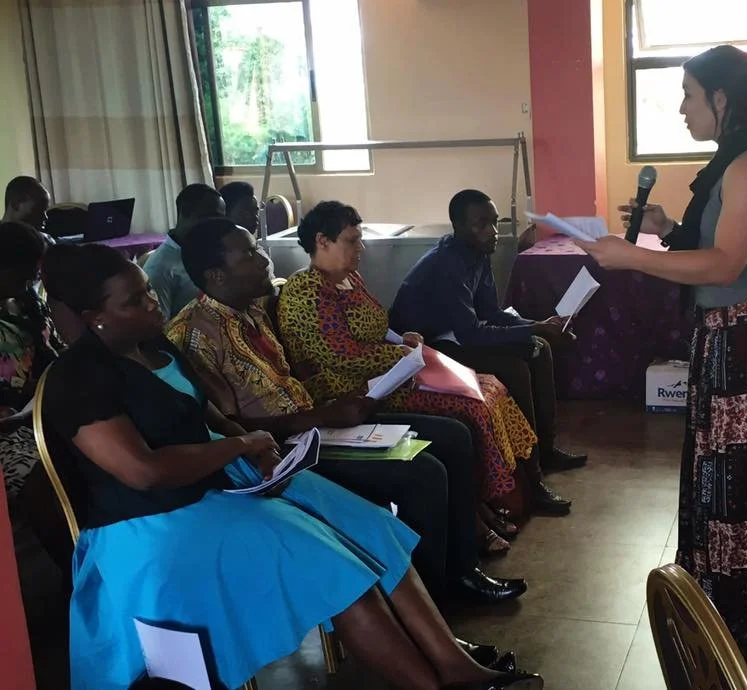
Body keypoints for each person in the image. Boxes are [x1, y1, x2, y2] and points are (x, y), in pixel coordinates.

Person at [40, 242, 542, 690]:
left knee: (374, 527)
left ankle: (450, 663)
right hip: (156, 521)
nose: (152, 303)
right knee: (335, 570)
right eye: (134, 301)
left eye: (148, 291)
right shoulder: (78, 379)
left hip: (219, 484)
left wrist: (255, 448)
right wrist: (240, 447)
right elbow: (142, 472)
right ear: (94, 316)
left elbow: (210, 416)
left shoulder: (155, 346)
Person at [576, 45, 747, 667]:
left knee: (744, 496)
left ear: (721, 98)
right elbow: (708, 246)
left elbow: (725, 264)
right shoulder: (730, 162)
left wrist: (631, 255)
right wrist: (661, 224)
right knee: (721, 491)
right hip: (725, 340)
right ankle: (727, 627)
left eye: (689, 95)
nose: (681, 108)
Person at [167, 217, 528, 605]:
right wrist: (322, 416)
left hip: (321, 421)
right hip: (286, 453)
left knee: (453, 435)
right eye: (249, 254)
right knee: (422, 472)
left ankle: (462, 568)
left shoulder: (250, 310)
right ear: (216, 275)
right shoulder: (193, 336)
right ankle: (437, 600)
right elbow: (230, 428)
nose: (263, 260)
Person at [276, 202, 571, 518]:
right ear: (322, 242)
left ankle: (514, 489)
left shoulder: (349, 278)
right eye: (351, 240)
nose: (360, 247)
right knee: (471, 405)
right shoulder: (306, 291)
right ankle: (490, 503)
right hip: (356, 392)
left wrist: (401, 338)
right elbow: (342, 354)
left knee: (488, 387)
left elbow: (376, 325)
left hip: (392, 375)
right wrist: (401, 355)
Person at [389, 189, 588, 477]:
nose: (492, 231)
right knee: (515, 367)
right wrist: (535, 328)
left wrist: (543, 325)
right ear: (458, 227)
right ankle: (529, 471)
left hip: (455, 334)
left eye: (494, 222)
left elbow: (492, 314)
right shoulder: (447, 264)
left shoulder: (478, 253)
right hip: (422, 347)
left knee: (540, 347)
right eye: (481, 224)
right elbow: (471, 334)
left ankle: (546, 449)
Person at [0, 222, 72, 571]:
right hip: (9, 427)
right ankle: (71, 569)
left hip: (44, 406)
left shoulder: (26, 300)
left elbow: (52, 349)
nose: (29, 284)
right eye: (21, 276)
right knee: (40, 477)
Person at [143, 183, 225, 319]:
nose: (216, 225)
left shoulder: (209, 252)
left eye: (221, 219)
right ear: (185, 212)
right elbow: (159, 327)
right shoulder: (160, 268)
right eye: (211, 217)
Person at [218, 180, 277, 282]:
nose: (254, 218)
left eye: (256, 211)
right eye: (245, 213)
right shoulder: (227, 256)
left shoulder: (256, 248)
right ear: (225, 214)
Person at [3, 176, 54, 243]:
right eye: (38, 210)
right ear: (15, 204)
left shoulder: (45, 241)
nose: (45, 217)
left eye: (45, 210)